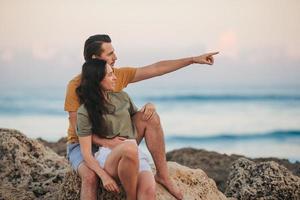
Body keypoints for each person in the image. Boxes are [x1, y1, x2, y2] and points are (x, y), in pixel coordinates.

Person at [65, 34, 218, 200]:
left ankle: (163, 176)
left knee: (150, 117)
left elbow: (156, 69)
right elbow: (78, 129)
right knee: (90, 177)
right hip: (85, 144)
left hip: (119, 139)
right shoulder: (75, 86)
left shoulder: (116, 75)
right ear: (95, 58)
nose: (115, 57)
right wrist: (108, 143)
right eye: (110, 54)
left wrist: (193, 60)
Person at [76, 59, 155, 200]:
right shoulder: (85, 111)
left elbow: (137, 118)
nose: (115, 78)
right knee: (130, 147)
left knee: (149, 191)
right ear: (97, 79)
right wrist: (104, 177)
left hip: (133, 155)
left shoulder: (123, 97)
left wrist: (149, 106)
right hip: (108, 158)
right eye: (110, 75)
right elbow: (86, 154)